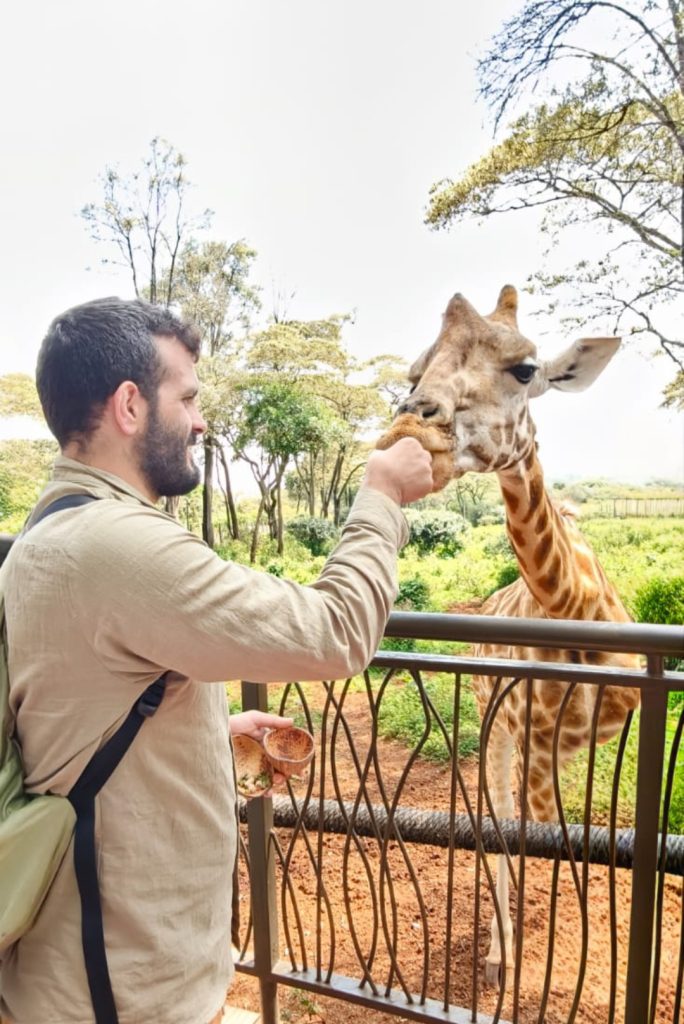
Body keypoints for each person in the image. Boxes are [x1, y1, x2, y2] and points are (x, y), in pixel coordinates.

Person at [0, 297, 433, 1024]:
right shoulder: (120, 546)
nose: (201, 421)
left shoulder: (46, 534)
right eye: (189, 397)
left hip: (74, 973)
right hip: (124, 995)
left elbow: (71, 715)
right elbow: (337, 631)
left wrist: (212, 728)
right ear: (130, 405)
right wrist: (382, 494)